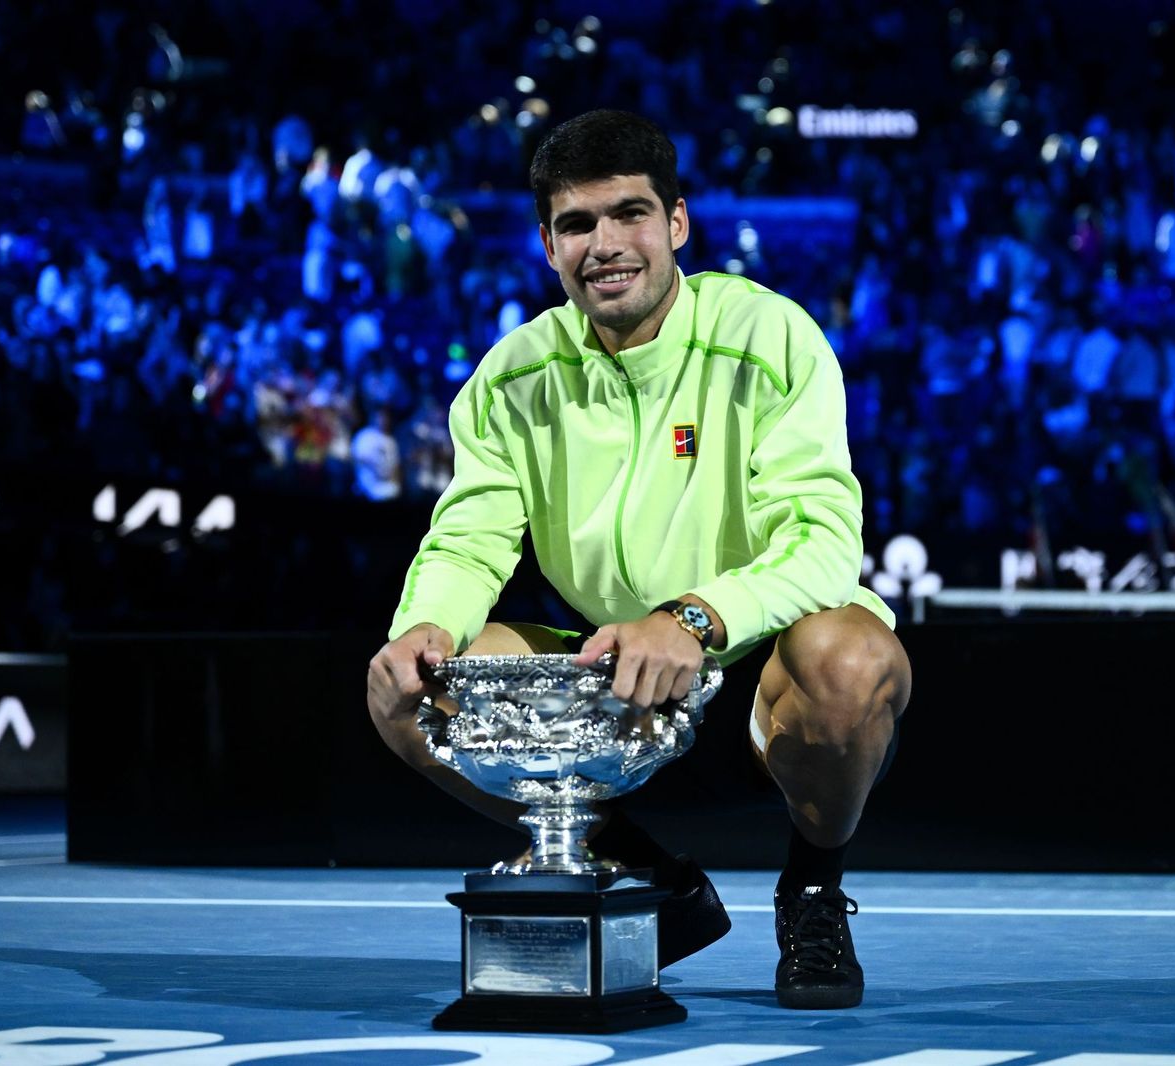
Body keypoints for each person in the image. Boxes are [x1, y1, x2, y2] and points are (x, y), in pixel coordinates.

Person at [365, 110, 912, 1011]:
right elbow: (468, 538)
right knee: (408, 693)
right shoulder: (512, 377)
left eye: (630, 215)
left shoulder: (770, 337)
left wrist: (692, 619)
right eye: (578, 224)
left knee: (851, 657)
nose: (606, 245)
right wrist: (421, 629)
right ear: (547, 245)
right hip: (608, 680)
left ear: (678, 224)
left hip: (760, 667)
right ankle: (644, 886)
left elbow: (821, 541)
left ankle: (812, 891)